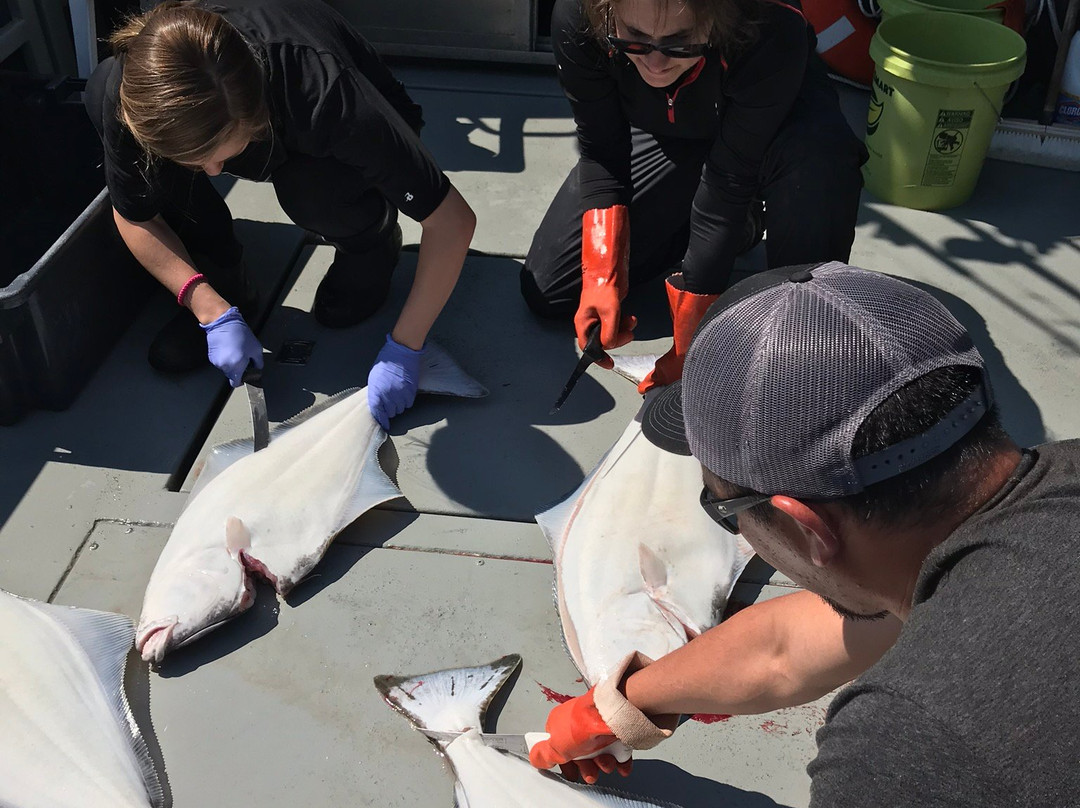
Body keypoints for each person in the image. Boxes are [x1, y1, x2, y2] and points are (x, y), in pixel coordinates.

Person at [528, 262, 1080, 805]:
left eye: (723, 508)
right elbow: (784, 650)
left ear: (802, 525)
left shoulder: (906, 750)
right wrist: (620, 705)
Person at [85, 0, 476, 429]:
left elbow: (452, 220)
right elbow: (134, 214)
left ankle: (371, 242)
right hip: (230, 126)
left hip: (329, 131)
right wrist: (207, 306)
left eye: (217, 158)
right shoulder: (132, 92)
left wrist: (406, 349)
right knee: (123, 119)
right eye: (197, 162)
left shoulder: (324, 92)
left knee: (313, 190)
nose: (213, 173)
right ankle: (226, 280)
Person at [521, 0, 867, 393]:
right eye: (633, 38)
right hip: (673, 130)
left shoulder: (770, 22)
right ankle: (745, 227)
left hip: (771, 125)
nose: (655, 63)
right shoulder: (579, 14)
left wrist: (690, 345)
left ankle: (801, 323)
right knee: (551, 291)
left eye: (679, 41)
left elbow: (727, 181)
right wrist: (603, 273)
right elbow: (602, 150)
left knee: (820, 158)